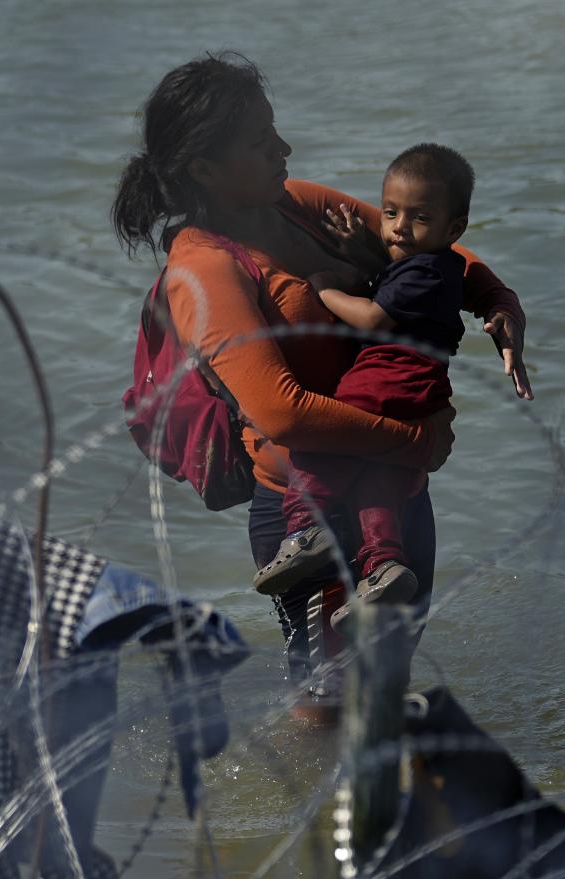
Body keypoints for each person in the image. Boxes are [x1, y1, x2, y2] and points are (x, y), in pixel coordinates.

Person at [111, 53, 532, 686]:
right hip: (309, 516)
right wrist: (416, 441)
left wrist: (502, 307)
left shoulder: (294, 205)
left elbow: (431, 246)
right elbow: (281, 411)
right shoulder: (203, 270)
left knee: (386, 681)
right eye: (260, 142)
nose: (285, 148)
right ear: (204, 169)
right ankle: (294, 780)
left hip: (395, 492)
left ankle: (368, 774)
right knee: (328, 701)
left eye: (274, 127)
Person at [252, 143, 501, 629]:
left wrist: (324, 287)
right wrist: (361, 251)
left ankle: (306, 530)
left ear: (455, 229)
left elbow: (373, 316)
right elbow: (387, 280)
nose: (398, 228)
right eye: (390, 213)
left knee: (322, 443)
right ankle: (384, 564)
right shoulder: (433, 267)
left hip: (388, 374)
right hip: (421, 385)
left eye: (418, 218)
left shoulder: (425, 270)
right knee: (377, 478)